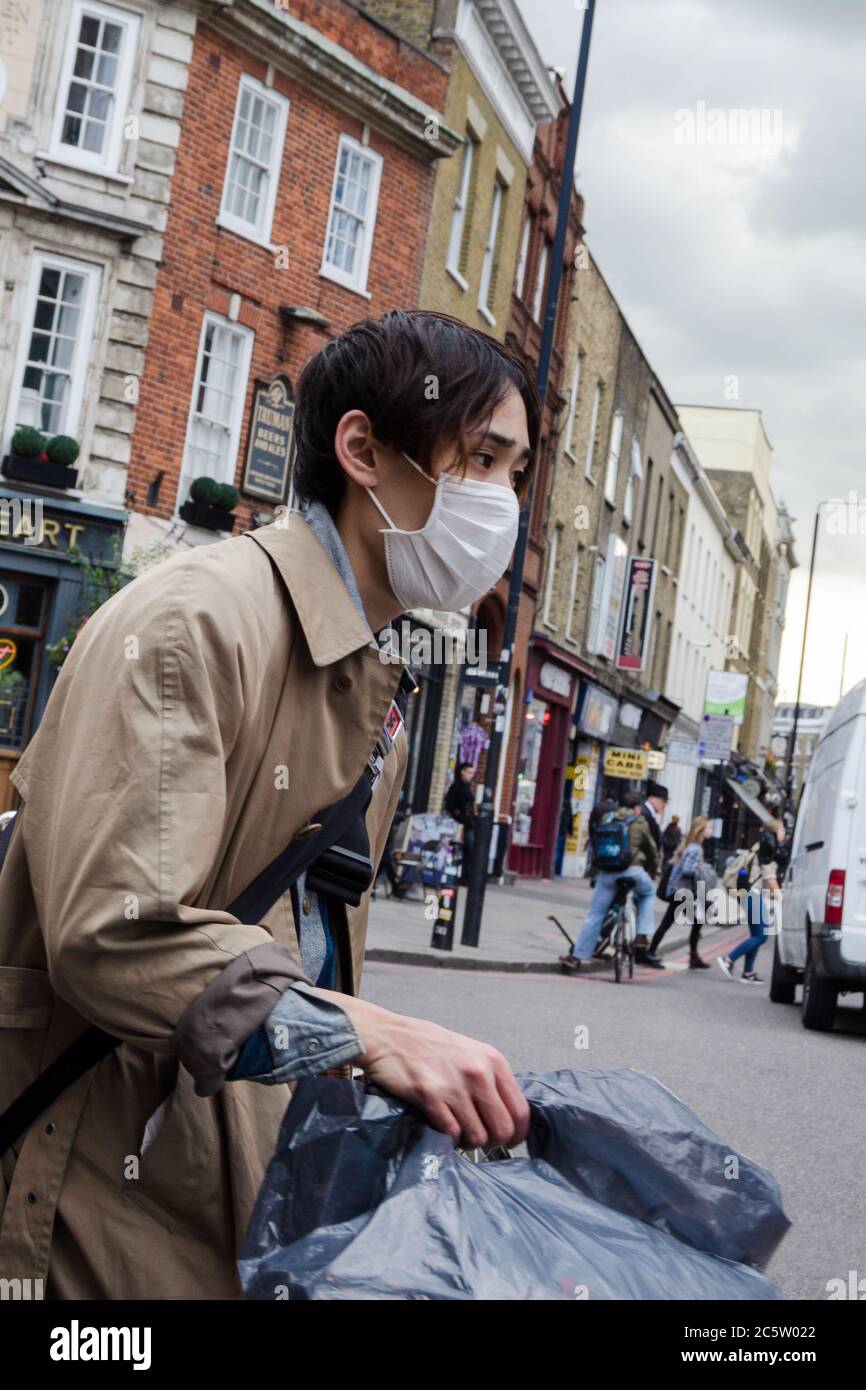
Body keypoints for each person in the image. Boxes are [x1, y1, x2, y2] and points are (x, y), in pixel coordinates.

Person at [0, 309, 539, 1299]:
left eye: (515, 474)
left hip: (224, 1201)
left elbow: (293, 951)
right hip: (87, 1207)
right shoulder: (194, 624)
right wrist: (376, 1034)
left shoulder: (367, 681)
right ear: (364, 448)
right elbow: (117, 932)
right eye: (480, 458)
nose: (501, 503)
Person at [560, 790, 658, 973]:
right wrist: (654, 867)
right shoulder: (640, 821)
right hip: (632, 871)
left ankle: (577, 956)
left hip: (607, 873)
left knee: (595, 914)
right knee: (649, 892)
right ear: (637, 808)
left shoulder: (608, 819)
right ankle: (641, 936)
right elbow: (651, 849)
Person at [719, 819, 788, 983]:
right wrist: (781, 897)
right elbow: (769, 877)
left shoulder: (761, 845)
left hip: (751, 894)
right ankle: (728, 959)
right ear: (774, 832)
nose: (784, 833)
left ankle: (748, 972)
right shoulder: (767, 848)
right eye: (782, 829)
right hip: (753, 894)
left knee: (756, 934)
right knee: (762, 935)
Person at [643, 816, 716, 971]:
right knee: (683, 921)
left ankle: (691, 956)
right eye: (709, 828)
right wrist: (701, 870)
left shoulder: (690, 845)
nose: (711, 830)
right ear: (701, 831)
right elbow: (688, 870)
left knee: (689, 921)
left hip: (680, 890)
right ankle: (652, 952)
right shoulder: (695, 848)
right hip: (682, 891)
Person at [445, 761, 476, 882]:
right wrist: (458, 815)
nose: (471, 775)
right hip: (460, 824)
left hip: (468, 823)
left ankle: (465, 876)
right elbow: (450, 804)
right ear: (462, 772)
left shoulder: (467, 786)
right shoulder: (457, 786)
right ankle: (458, 876)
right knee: (463, 850)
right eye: (469, 772)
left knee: (469, 850)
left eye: (472, 773)